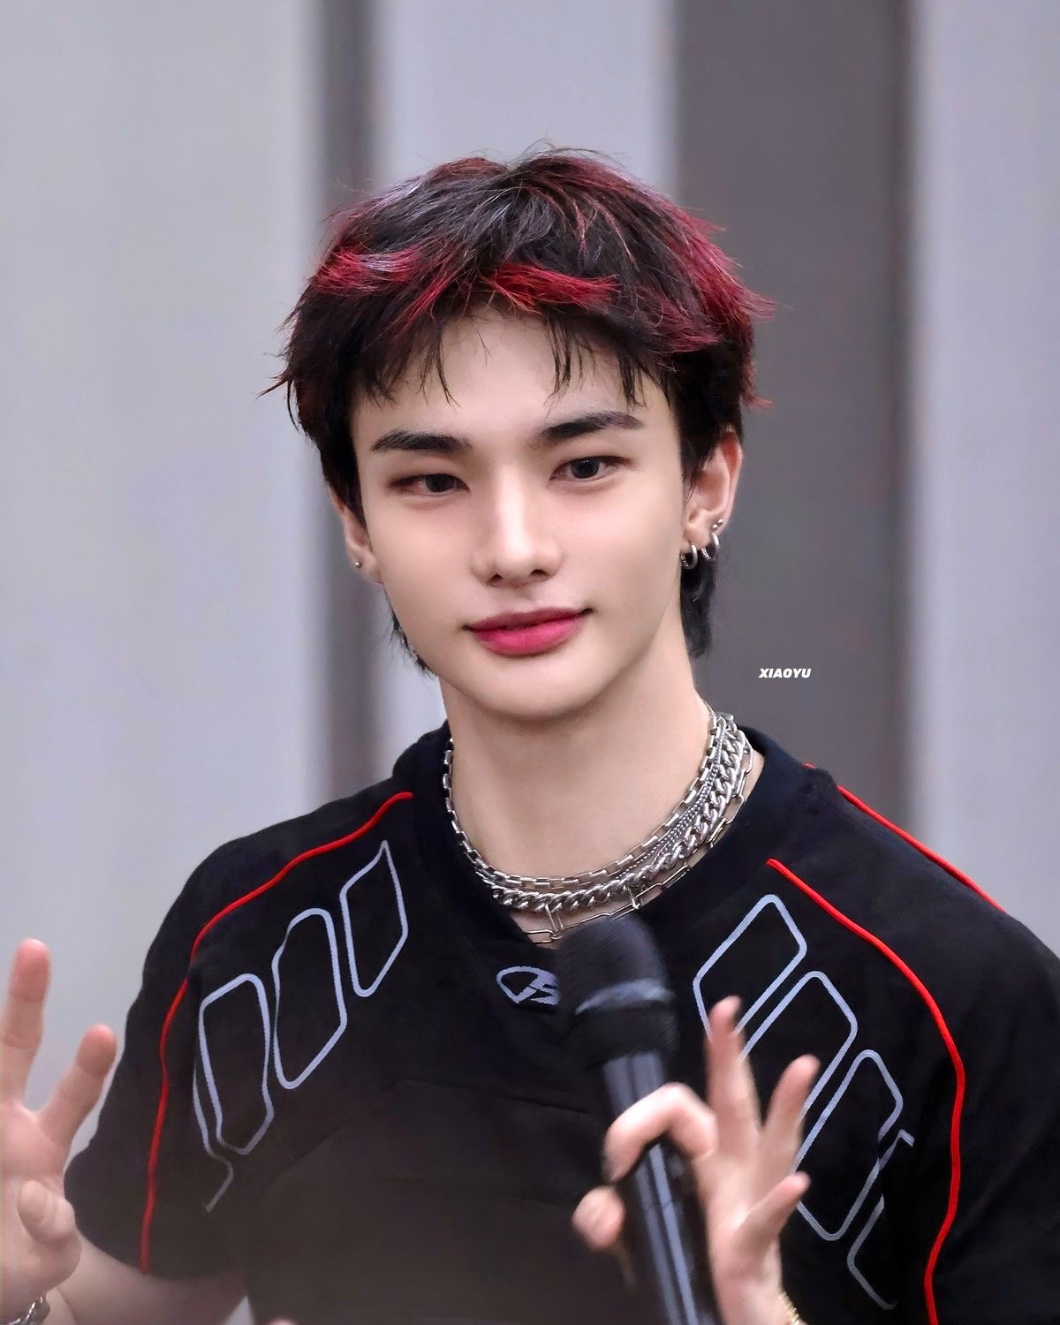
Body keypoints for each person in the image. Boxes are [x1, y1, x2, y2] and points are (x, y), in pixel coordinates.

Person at [2, 149, 1059, 1325]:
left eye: (584, 465)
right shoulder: (261, 935)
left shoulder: (952, 992)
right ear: (356, 521)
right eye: (431, 481)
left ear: (706, 482)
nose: (513, 547)